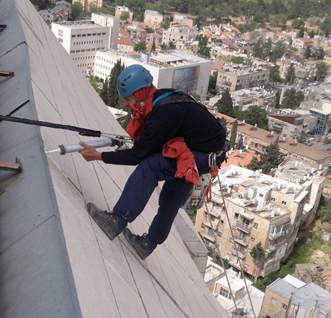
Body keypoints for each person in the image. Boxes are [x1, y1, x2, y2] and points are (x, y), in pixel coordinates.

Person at [80, 64, 226, 259]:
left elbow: (138, 156)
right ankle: (148, 244)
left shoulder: (162, 115)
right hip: (205, 151)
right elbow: (153, 141)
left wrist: (99, 156)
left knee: (151, 165)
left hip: (199, 154)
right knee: (172, 194)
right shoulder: (159, 98)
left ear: (140, 95)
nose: (125, 104)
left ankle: (117, 220)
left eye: (127, 99)